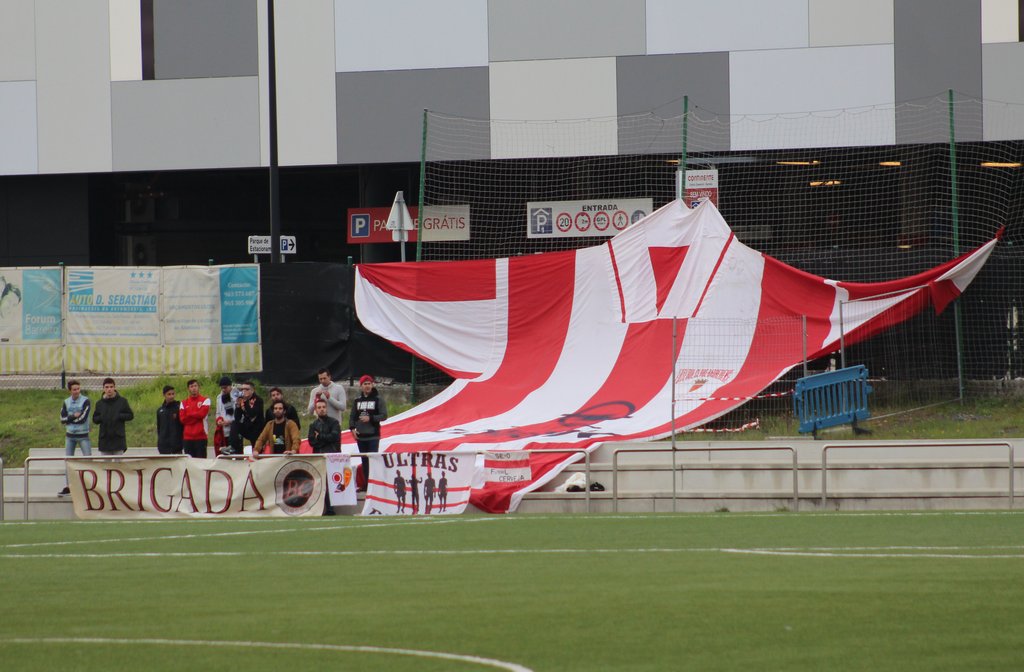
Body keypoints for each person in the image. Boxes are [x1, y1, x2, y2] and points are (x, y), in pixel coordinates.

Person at [349, 374, 388, 490]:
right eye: (365, 384)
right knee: (364, 461)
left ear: (372, 385)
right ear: (361, 386)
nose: (367, 386)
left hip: (373, 436)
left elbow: (384, 415)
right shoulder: (357, 400)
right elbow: (352, 416)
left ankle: (374, 485)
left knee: (373, 460)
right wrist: (352, 429)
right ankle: (366, 485)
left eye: (369, 384)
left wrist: (370, 418)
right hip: (360, 437)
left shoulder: (378, 399)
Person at [307, 398, 342, 515]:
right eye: (319, 407)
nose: (321, 409)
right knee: (321, 483)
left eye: (323, 407)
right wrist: (324, 439)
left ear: (326, 408)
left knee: (331, 483)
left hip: (332, 457)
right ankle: (321, 509)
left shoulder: (334, 422)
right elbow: (312, 441)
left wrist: (320, 436)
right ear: (316, 410)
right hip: (318, 457)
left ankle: (331, 509)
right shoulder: (313, 425)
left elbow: (334, 437)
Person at [58, 380, 91, 496]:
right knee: (68, 461)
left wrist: (69, 419)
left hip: (83, 435)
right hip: (70, 436)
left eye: (78, 389)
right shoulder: (66, 402)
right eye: (74, 389)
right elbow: (62, 419)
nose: (77, 391)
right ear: (70, 391)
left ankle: (88, 485)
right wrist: (72, 416)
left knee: (88, 459)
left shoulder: (85, 401)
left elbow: (82, 418)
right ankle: (69, 486)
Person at [92, 377, 134, 455]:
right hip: (105, 440)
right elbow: (95, 419)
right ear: (103, 389)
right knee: (105, 462)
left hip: (118, 439)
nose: (109, 389)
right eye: (107, 387)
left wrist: (119, 416)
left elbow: (130, 415)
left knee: (118, 462)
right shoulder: (99, 403)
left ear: (114, 388)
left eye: (111, 387)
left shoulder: (122, 401)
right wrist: (102, 417)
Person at [178, 378, 211, 458]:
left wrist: (189, 414)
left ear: (199, 387)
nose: (194, 388)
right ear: (188, 389)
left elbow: (202, 414)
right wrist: (196, 415)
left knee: (201, 462)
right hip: (187, 438)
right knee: (189, 462)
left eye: (195, 386)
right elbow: (183, 419)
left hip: (201, 436)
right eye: (191, 386)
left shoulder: (205, 400)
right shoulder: (183, 403)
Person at [230, 381, 264, 454]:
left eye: (247, 389)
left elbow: (252, 414)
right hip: (247, 427)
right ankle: (234, 447)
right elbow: (237, 418)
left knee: (256, 450)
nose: (244, 391)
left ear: (252, 390)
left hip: (257, 429)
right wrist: (238, 406)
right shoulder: (242, 400)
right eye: (242, 389)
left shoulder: (258, 400)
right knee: (234, 424)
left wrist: (245, 402)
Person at [214, 375, 239, 454]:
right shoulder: (219, 397)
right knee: (224, 454)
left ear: (230, 386)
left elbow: (239, 414)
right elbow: (218, 412)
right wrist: (219, 420)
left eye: (225, 388)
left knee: (236, 453)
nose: (223, 390)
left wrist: (230, 421)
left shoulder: (237, 396)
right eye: (222, 388)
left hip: (235, 430)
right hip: (224, 431)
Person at [156, 385, 184, 455]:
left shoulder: (179, 408)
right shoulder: (160, 411)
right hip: (163, 447)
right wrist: (160, 442)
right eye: (169, 394)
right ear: (164, 395)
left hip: (176, 446)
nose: (171, 396)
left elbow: (183, 426)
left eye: (173, 394)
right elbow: (159, 429)